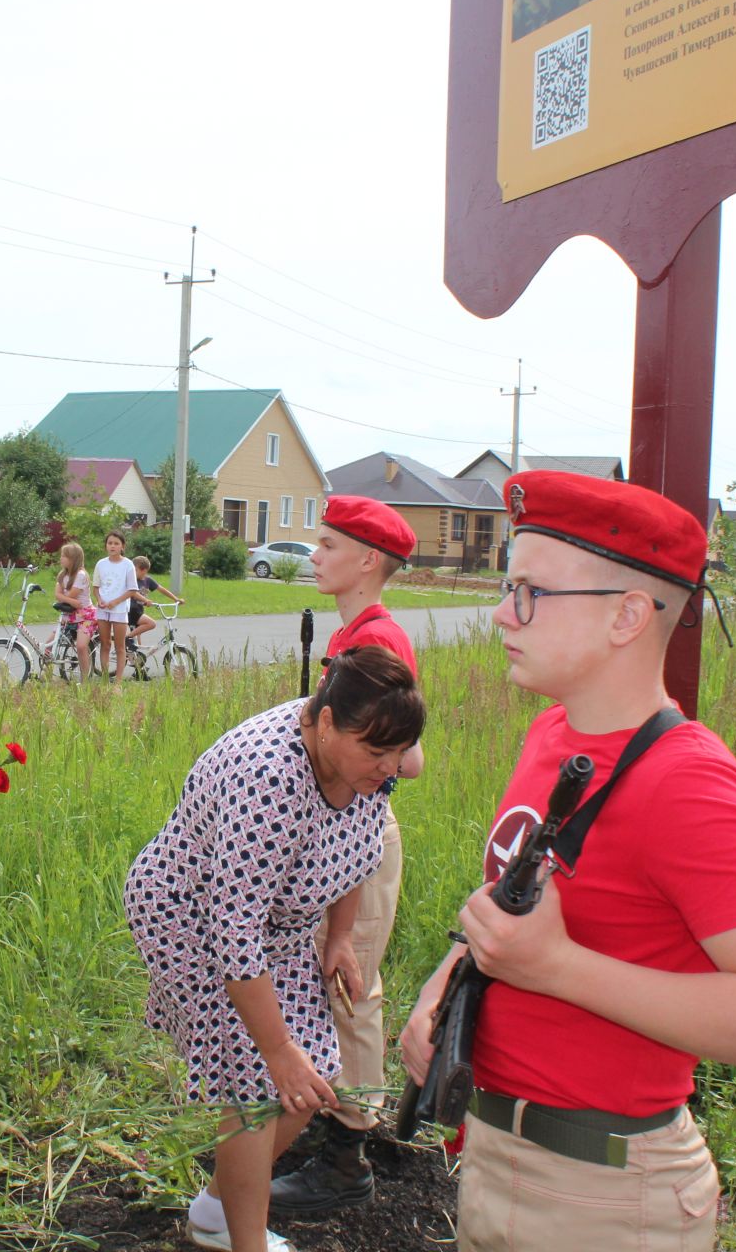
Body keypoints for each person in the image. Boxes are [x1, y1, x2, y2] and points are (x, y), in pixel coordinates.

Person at [399, 470, 736, 1252]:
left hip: (603, 1197)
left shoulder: (691, 783)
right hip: (497, 1156)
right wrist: (447, 982)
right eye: (508, 586)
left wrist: (559, 968)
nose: (503, 612)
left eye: (532, 591)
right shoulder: (553, 736)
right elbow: (516, 907)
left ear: (628, 616)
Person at [125, 646, 426, 1252]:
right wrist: (276, 1047)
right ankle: (242, 1241)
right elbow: (233, 934)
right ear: (324, 720)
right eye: (377, 751)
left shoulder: (367, 761)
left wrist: (339, 936)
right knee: (257, 1089)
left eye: (399, 751)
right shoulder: (268, 777)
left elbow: (358, 842)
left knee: (315, 1077)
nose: (394, 767)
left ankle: (217, 1208)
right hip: (191, 919)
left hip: (279, 927)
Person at [269, 495, 425, 1217]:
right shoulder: (360, 631)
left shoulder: (375, 643)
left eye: (327, 545)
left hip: (358, 832)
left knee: (349, 988)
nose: (315, 557)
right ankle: (327, 1119)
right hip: (341, 829)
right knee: (336, 980)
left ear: (367, 561)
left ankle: (346, 1152)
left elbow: (408, 757)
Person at [92, 529, 140, 680]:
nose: (112, 546)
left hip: (119, 610)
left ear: (122, 546)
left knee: (120, 646)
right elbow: (96, 587)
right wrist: (99, 599)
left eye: (116, 543)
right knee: (105, 644)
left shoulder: (128, 565)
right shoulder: (101, 564)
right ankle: (105, 679)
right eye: (110, 543)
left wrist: (116, 602)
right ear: (106, 545)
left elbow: (132, 589)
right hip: (103, 610)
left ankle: (118, 682)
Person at [52, 541, 94, 679]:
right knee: (49, 645)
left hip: (85, 616)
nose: (61, 558)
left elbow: (68, 595)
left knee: (81, 647)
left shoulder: (81, 575)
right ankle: (44, 673)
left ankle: (85, 679)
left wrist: (65, 598)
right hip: (69, 613)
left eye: (64, 556)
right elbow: (59, 596)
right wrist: (72, 602)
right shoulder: (62, 575)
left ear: (73, 559)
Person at [126, 553, 184, 643]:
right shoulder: (131, 580)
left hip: (139, 610)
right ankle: (125, 638)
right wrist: (146, 600)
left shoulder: (147, 580)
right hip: (130, 611)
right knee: (151, 623)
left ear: (144, 570)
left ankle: (130, 648)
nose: (133, 572)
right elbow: (133, 593)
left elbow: (161, 589)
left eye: (135, 570)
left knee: (136, 644)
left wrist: (175, 599)